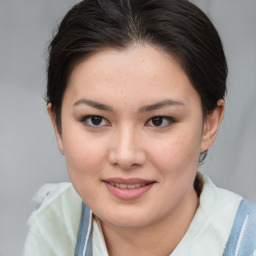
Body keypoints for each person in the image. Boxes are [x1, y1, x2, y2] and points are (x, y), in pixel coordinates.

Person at [23, 0, 256, 255]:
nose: (125, 156)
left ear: (209, 125)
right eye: (96, 119)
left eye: (159, 120)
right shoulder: (56, 224)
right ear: (58, 126)